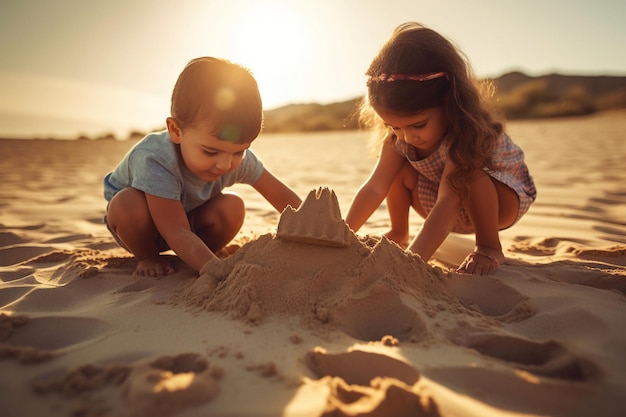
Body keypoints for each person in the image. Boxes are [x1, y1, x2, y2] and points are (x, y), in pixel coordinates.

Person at [345, 23, 536, 275]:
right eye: (393, 127)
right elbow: (374, 186)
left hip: (498, 203)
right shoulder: (398, 142)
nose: (407, 136)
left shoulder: (465, 136)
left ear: (448, 101)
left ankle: (489, 246)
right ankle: (399, 231)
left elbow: (448, 199)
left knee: (467, 177)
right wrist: (343, 233)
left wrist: (410, 264)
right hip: (441, 203)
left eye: (418, 125)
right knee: (396, 168)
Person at [104, 57, 302, 277]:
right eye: (210, 152)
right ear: (176, 131)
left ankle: (199, 253)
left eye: (239, 151)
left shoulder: (233, 156)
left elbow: (281, 194)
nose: (225, 164)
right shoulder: (155, 158)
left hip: (191, 222)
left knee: (233, 207)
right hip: (144, 229)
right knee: (126, 204)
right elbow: (176, 230)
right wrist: (219, 272)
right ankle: (149, 257)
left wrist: (321, 229)